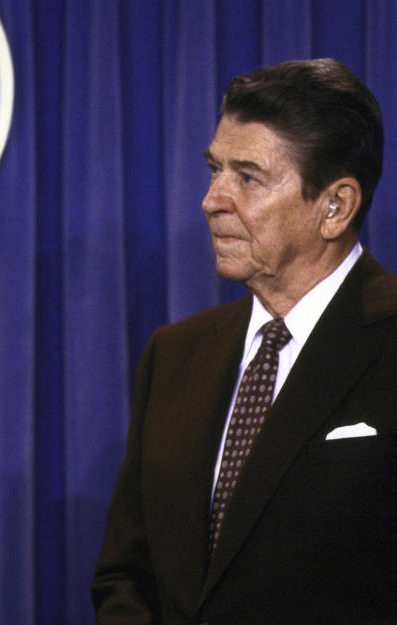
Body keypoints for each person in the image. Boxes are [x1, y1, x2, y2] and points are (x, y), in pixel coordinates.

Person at [92, 58, 397, 623]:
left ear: (335, 207)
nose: (212, 200)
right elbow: (128, 574)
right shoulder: (174, 354)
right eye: (214, 170)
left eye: (248, 177)